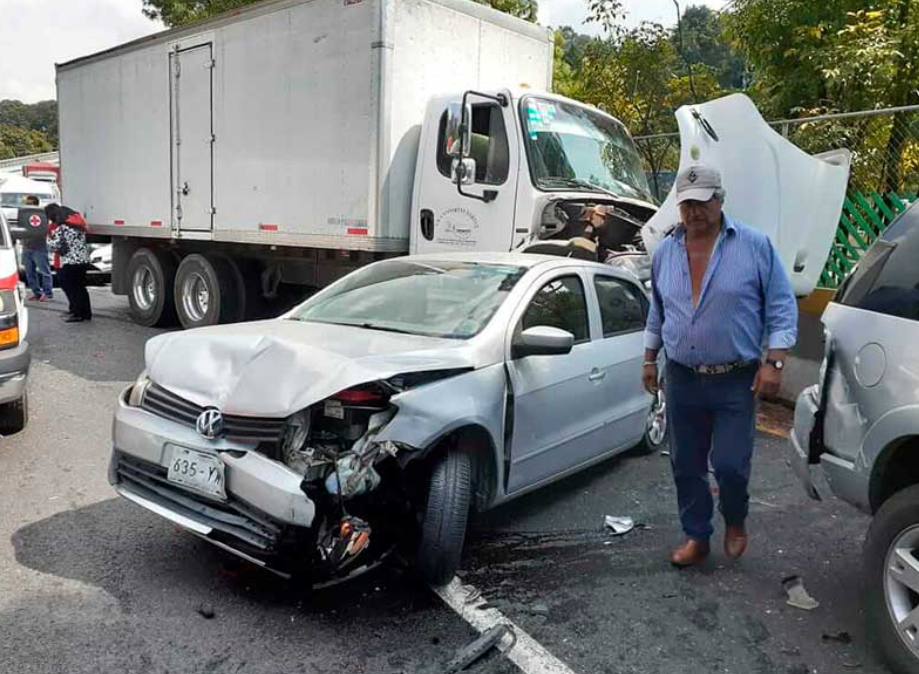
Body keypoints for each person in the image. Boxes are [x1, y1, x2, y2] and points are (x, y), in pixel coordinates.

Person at [643, 164, 798, 567]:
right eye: (687, 204)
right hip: (681, 378)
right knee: (686, 465)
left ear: (720, 199)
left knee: (730, 464)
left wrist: (775, 363)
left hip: (735, 379)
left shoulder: (753, 245)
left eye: (703, 201)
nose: (695, 211)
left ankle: (734, 519)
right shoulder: (664, 252)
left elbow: (781, 306)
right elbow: (657, 313)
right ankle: (696, 536)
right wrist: (648, 359)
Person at [46, 204, 92, 323]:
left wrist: (48, 241)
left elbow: (54, 245)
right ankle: (87, 313)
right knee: (81, 287)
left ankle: (77, 313)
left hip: (70, 261)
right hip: (82, 260)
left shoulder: (62, 228)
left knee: (73, 288)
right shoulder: (78, 225)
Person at [20, 195, 54, 302]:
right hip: (27, 246)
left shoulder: (41, 214)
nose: (27, 205)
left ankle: (47, 293)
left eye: (29, 203)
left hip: (40, 247)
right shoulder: (24, 214)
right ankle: (37, 293)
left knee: (45, 271)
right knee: (30, 272)